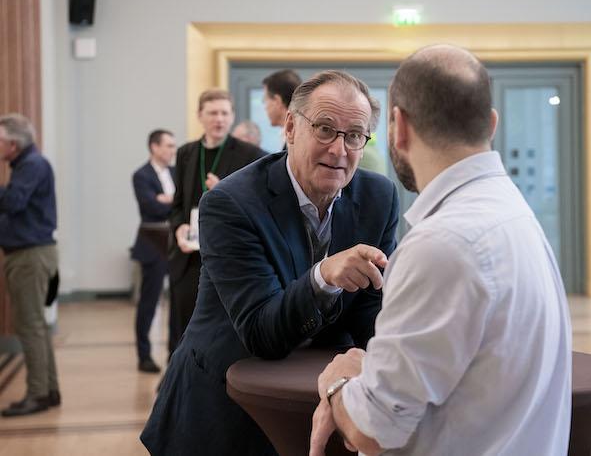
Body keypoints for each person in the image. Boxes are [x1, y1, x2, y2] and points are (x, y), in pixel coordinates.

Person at [311, 45, 573, 456]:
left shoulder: (443, 243)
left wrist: (339, 382)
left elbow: (373, 430)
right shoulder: (516, 214)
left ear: (399, 126)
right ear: (491, 123)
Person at [141, 70, 399, 455]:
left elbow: (370, 312)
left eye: (354, 135)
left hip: (317, 402)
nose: (339, 149)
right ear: (291, 127)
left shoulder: (379, 197)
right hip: (224, 408)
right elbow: (262, 332)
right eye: (325, 129)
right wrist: (323, 276)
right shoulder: (231, 203)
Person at [167, 89, 267, 355]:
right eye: (212, 113)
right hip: (188, 256)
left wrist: (224, 190)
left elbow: (261, 204)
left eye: (224, 113)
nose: (219, 119)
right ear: (200, 116)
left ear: (232, 116)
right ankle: (177, 374)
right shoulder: (187, 153)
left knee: (219, 334)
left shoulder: (251, 154)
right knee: (181, 330)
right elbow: (177, 205)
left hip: (227, 256)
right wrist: (179, 227)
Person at [0, 114, 60, 417]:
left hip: (30, 257)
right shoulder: (30, 164)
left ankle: (37, 394)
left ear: (13, 144)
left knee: (30, 326)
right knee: (36, 325)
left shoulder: (32, 165)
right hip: (33, 254)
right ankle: (48, 390)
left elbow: (13, 202)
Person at [131, 129, 176, 373]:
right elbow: (151, 207)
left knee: (178, 301)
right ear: (154, 147)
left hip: (175, 242)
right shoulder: (142, 175)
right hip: (152, 242)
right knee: (149, 301)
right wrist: (171, 201)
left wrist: (166, 199)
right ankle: (144, 355)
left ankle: (175, 354)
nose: (172, 150)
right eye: (168, 145)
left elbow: (185, 204)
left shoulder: (175, 172)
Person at [262, 69, 302, 150]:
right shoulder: (292, 134)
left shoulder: (297, 138)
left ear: (277, 101)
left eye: (265, 100)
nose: (265, 107)